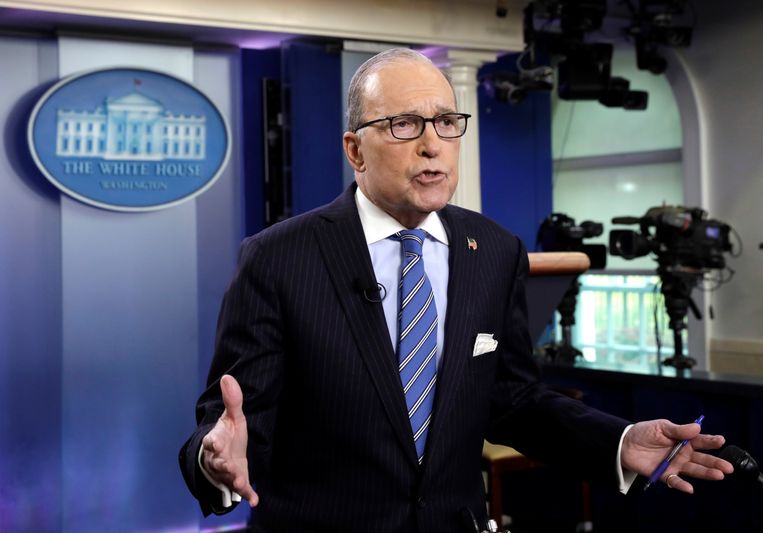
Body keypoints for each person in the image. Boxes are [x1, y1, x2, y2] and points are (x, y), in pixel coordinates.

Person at [179, 48, 733, 532]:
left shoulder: (494, 251)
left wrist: (617, 442)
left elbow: (511, 400)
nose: (432, 145)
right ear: (355, 150)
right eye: (403, 124)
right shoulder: (279, 257)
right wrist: (215, 457)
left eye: (447, 122)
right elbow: (233, 419)